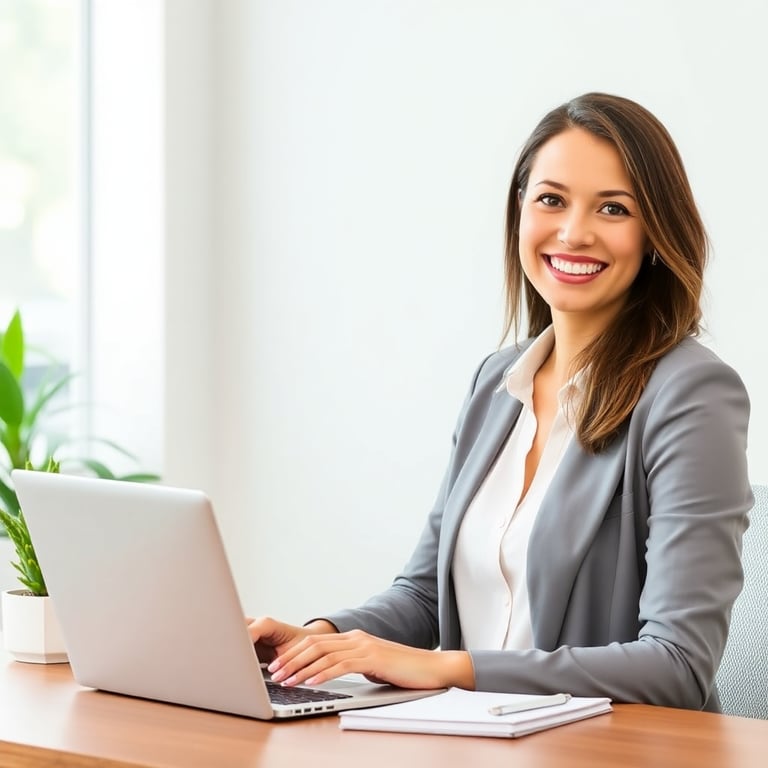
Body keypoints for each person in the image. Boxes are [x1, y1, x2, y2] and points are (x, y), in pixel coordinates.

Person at [248, 92, 752, 712]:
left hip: (604, 752)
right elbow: (427, 597)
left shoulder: (691, 394)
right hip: (474, 741)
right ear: (519, 211)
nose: (574, 232)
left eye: (614, 208)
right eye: (551, 199)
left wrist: (446, 669)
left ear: (654, 232)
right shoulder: (496, 383)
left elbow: (677, 666)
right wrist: (318, 641)